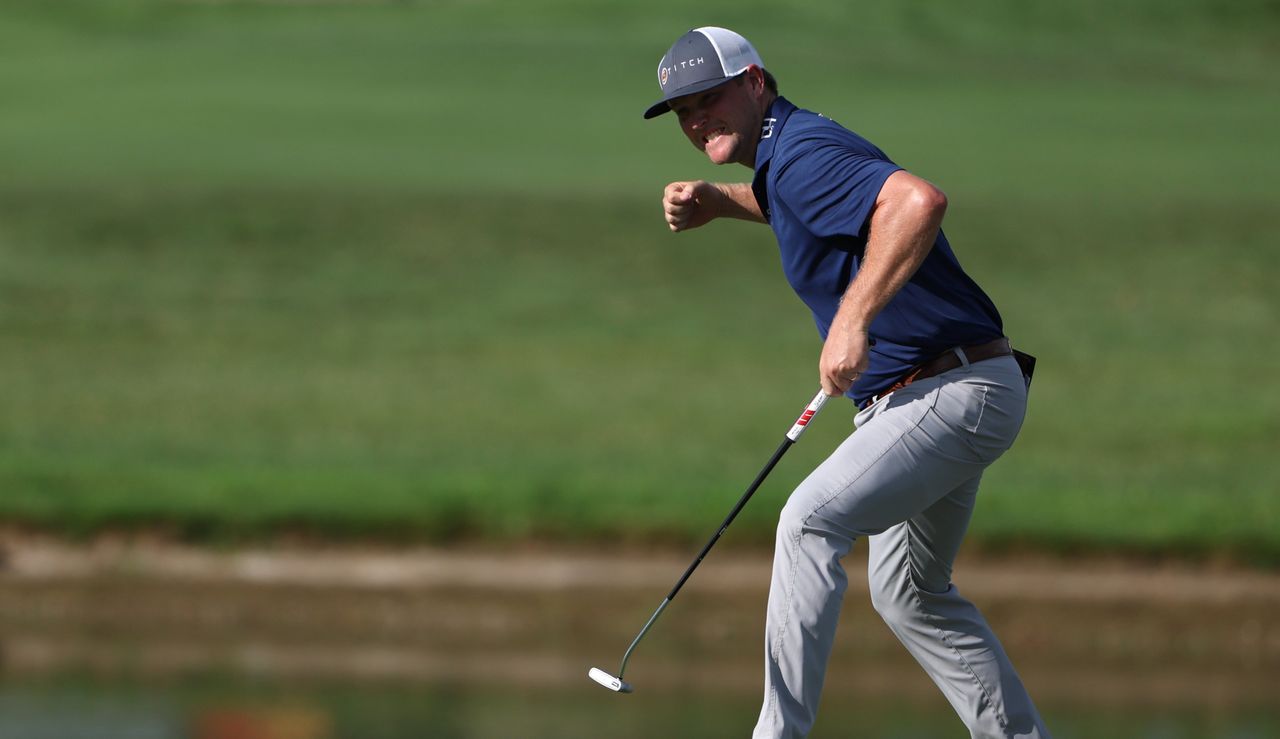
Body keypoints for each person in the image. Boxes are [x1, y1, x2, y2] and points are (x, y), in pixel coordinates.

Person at [643, 27, 1050, 738]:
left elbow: (918, 202)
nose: (696, 118)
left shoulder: (799, 152)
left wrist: (852, 318)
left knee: (807, 521)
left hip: (948, 392)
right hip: (959, 388)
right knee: (911, 593)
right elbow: (808, 204)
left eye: (708, 99)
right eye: (683, 110)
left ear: (756, 83)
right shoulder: (786, 156)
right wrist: (720, 199)